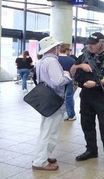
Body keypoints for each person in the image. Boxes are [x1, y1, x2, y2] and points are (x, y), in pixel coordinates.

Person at [70, 32, 104, 168]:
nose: (90, 46)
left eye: (93, 43)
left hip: (101, 95)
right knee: (87, 124)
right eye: (88, 43)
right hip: (86, 95)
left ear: (102, 43)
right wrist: (80, 66)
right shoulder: (83, 55)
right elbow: (72, 71)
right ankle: (91, 150)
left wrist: (98, 83)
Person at [32, 37, 71, 171]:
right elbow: (58, 81)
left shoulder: (41, 61)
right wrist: (67, 75)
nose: (59, 48)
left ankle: (43, 155)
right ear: (53, 48)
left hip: (46, 100)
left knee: (46, 130)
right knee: (49, 132)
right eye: (57, 46)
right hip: (54, 100)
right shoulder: (52, 62)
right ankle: (40, 161)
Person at [58, 43, 76, 121]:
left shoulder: (55, 59)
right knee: (69, 97)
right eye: (70, 50)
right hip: (68, 80)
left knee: (58, 97)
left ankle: (58, 114)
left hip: (57, 80)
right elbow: (74, 73)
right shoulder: (72, 60)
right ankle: (70, 114)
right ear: (66, 50)